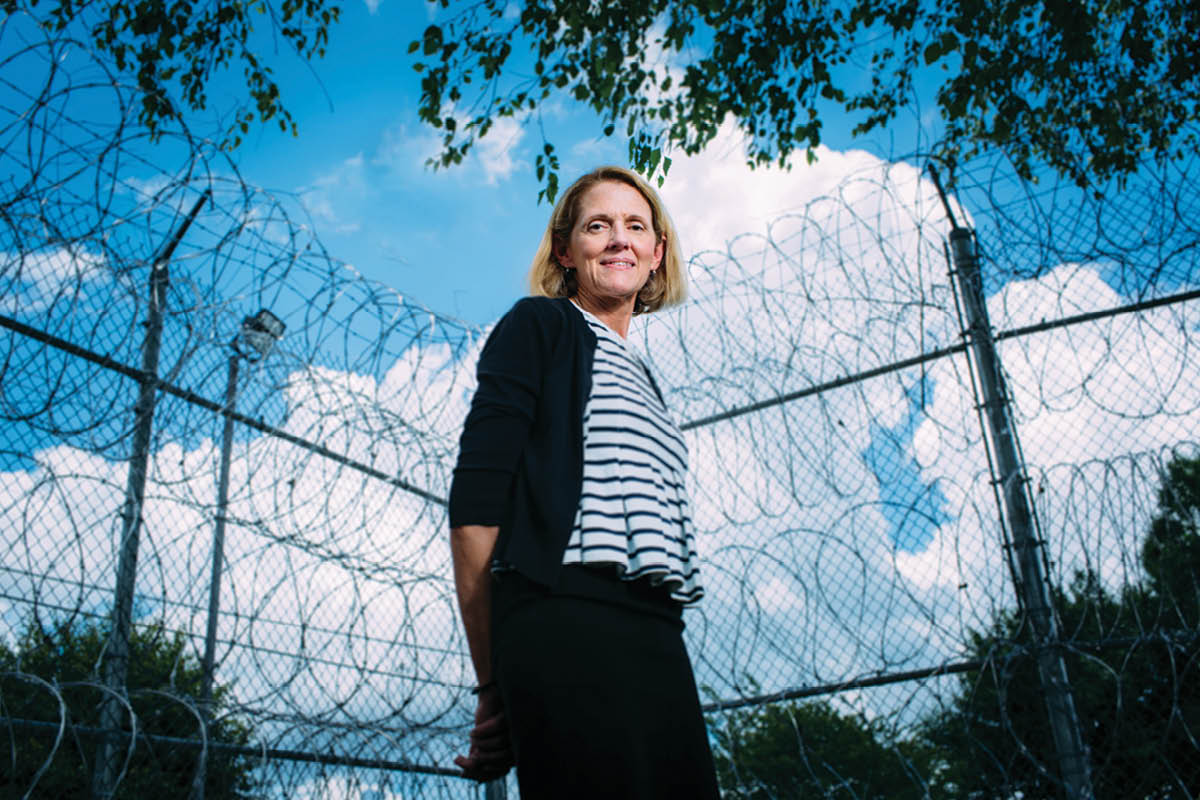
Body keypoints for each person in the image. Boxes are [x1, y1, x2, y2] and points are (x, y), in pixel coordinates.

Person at [448, 165, 720, 798]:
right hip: (564, 618)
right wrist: (492, 684)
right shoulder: (542, 328)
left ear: (657, 255)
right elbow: (475, 506)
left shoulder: (645, 376)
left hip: (656, 632)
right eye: (598, 226)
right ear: (566, 251)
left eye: (635, 227)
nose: (619, 239)